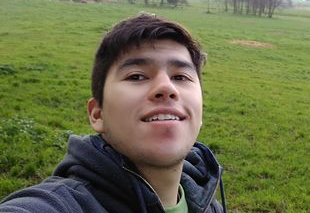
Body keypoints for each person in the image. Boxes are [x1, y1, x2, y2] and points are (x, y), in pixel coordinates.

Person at [0, 14, 227, 213]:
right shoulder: (60, 205)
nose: (167, 88)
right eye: (136, 76)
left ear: (200, 110)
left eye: (180, 77)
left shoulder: (206, 202)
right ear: (98, 114)